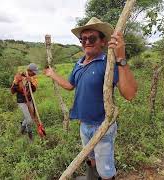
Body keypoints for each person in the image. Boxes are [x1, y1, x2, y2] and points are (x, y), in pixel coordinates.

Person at [44, 17, 138, 180]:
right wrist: (53, 74)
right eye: (83, 39)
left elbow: (129, 94)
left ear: (103, 41)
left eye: (92, 38)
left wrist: (121, 58)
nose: (86, 41)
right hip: (84, 124)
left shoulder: (107, 63)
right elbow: (69, 85)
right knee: (91, 159)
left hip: (102, 126)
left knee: (105, 170)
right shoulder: (79, 63)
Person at [11, 63, 39, 141]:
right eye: (33, 72)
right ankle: (30, 135)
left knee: (31, 117)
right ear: (29, 71)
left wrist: (30, 83)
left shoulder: (32, 78)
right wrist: (16, 82)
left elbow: (33, 90)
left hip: (29, 100)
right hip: (22, 101)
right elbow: (12, 91)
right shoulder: (19, 76)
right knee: (29, 120)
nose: (34, 74)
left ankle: (22, 129)